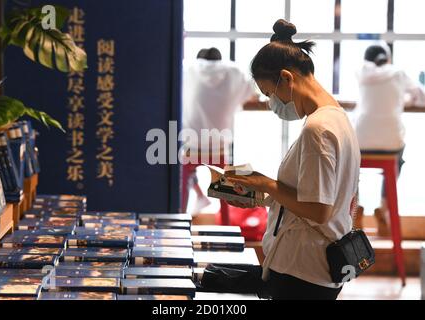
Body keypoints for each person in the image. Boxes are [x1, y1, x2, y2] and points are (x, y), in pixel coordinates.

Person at [224, 19, 361, 300]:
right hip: (319, 266)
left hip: (304, 268)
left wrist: (266, 184)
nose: (272, 104)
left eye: (269, 94)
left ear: (287, 78)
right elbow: (317, 198)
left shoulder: (318, 129)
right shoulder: (336, 118)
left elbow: (319, 210)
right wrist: (258, 196)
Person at [353, 43, 425, 234]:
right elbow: (421, 96)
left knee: (352, 163)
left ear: (367, 60)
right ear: (388, 59)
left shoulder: (361, 72)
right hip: (390, 143)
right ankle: (383, 209)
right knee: (396, 161)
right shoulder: (398, 73)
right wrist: (404, 100)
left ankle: (355, 206)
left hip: (361, 140)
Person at [182, 47, 257, 213]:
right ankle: (224, 224)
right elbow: (252, 94)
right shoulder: (234, 72)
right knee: (224, 188)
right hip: (220, 145)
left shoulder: (188, 69)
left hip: (192, 143)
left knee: (177, 165)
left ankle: (186, 211)